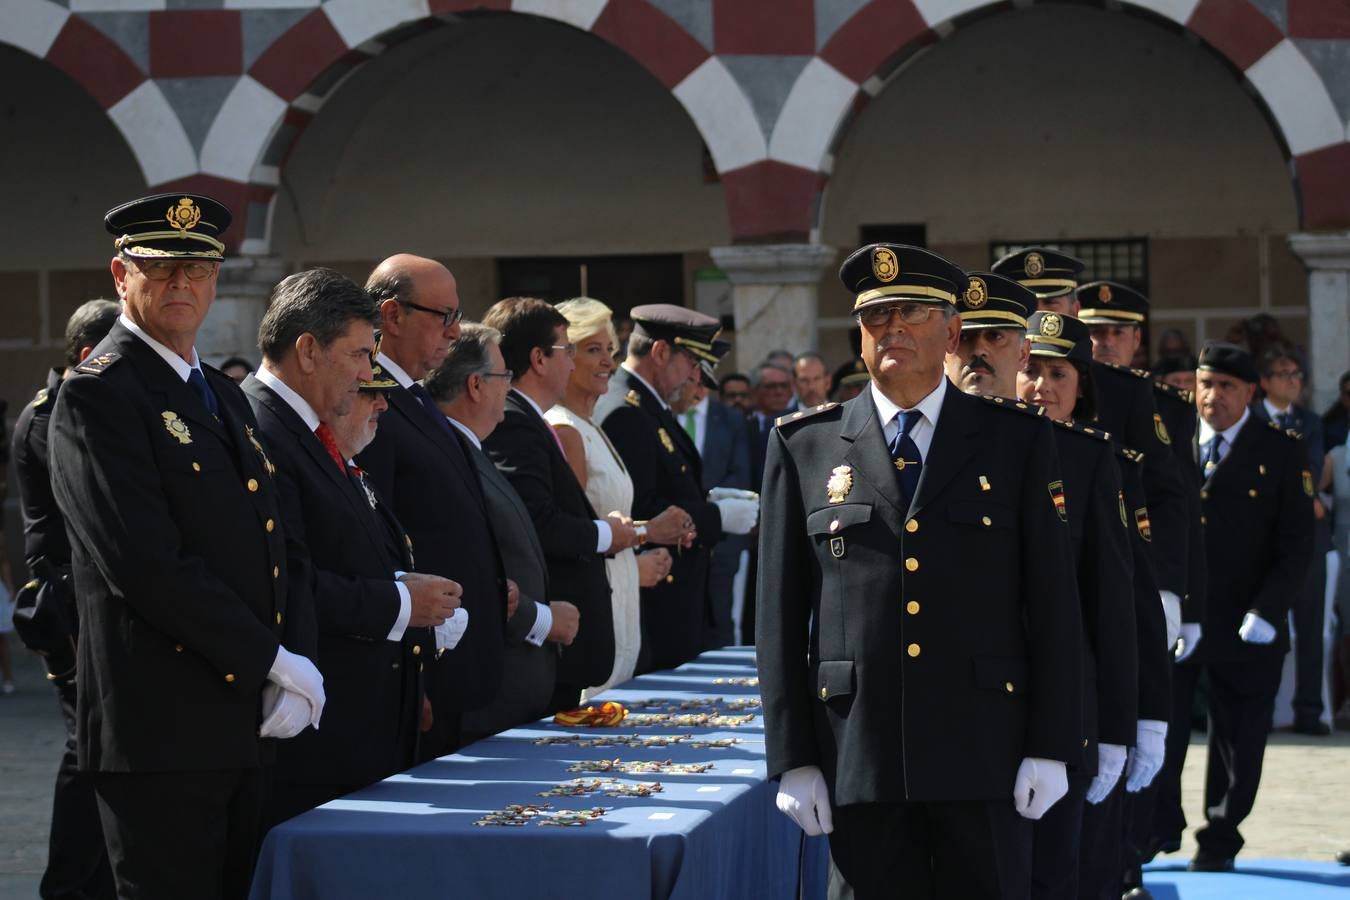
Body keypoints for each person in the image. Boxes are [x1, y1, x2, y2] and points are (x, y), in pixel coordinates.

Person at [760, 243, 1083, 898]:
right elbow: (778, 617)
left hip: (984, 749)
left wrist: (1052, 743)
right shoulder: (807, 444)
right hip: (860, 753)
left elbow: (1051, 604)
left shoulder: (1015, 439)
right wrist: (793, 759)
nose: (893, 330)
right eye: (877, 317)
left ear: (953, 331)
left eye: (910, 313)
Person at [48, 194, 323, 899]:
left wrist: (280, 661)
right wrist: (271, 657)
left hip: (238, 722)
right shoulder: (98, 396)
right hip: (160, 735)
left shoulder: (220, 397)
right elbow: (145, 564)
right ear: (120, 275)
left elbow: (267, 541)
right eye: (160, 268)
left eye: (196, 270)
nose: (181, 285)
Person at [242, 268, 462, 822]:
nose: (369, 374)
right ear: (309, 351)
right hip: (314, 724)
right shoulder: (262, 428)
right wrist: (401, 604)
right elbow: (284, 580)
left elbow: (348, 547)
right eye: (361, 356)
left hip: (357, 717)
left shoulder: (309, 428)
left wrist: (402, 589)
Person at [948, 275, 1137, 900]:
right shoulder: (907, 453)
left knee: (1053, 880)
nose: (979, 352)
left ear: (1020, 351)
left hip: (1055, 713)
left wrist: (1120, 726)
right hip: (950, 721)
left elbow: (1110, 604)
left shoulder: (1078, 456)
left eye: (995, 337)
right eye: (966, 336)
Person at [1016, 310, 1172, 899]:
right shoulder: (971, 453)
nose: (1042, 387)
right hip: (987, 703)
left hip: (1071, 702)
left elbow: (1123, 602)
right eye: (1031, 370)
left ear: (1082, 389)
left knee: (1065, 872)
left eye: (1060, 374)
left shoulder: (1092, 460)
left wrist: (1136, 719)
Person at [1156, 342, 1313, 872]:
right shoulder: (1169, 441)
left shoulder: (1282, 450)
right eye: (1204, 383)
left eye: (1225, 386)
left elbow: (1297, 544)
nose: (1211, 395)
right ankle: (1158, 826)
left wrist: (1270, 611)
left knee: (1238, 739)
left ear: (1251, 392)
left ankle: (1221, 834)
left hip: (1247, 623)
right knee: (1163, 728)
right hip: (1180, 618)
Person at [357, 254, 507, 757]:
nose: (455, 330)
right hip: (424, 665)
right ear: (392, 315)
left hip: (457, 658)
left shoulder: (413, 397)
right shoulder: (372, 398)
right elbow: (379, 540)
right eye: (442, 316)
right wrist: (413, 677)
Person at [11, 298, 119, 899]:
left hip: (80, 595)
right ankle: (70, 887)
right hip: (68, 605)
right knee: (87, 753)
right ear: (85, 356)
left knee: (98, 752)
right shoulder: (53, 413)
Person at [428, 323, 580, 738]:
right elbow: (475, 575)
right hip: (486, 695)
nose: (509, 390)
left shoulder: (471, 450)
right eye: (504, 378)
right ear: (476, 385)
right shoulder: (450, 458)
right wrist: (542, 620)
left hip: (512, 690)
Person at [480, 297, 631, 706]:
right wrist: (606, 534)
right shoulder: (516, 423)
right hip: (546, 640)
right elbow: (536, 522)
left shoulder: (531, 421)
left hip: (564, 643)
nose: (571, 363)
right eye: (569, 350)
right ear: (539, 359)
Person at [595, 305, 758, 672]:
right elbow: (639, 509)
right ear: (661, 352)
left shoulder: (647, 407)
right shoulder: (627, 410)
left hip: (672, 597)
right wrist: (715, 516)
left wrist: (709, 503)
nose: (696, 377)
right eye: (692, 363)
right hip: (655, 598)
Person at [544, 298, 687, 692]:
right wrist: (647, 533)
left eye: (610, 349)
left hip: (620, 591)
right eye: (593, 350)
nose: (608, 361)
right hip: (595, 598)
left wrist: (646, 532)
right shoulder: (564, 429)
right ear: (565, 357)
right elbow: (575, 530)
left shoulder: (589, 425)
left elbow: (607, 520)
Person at [1251, 347, 1331, 735]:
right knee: (1262, 621)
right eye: (1284, 374)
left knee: (1311, 625)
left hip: (1305, 539)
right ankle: (1258, 709)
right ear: (1264, 382)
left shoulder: (1310, 422)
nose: (1293, 381)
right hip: (1262, 539)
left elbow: (1310, 473)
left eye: (1297, 374)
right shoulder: (1252, 419)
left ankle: (1309, 711)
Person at [683, 342, 753, 647]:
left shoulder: (730, 419)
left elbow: (740, 475)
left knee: (723, 617)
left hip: (723, 538)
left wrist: (708, 510)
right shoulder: (666, 414)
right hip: (679, 538)